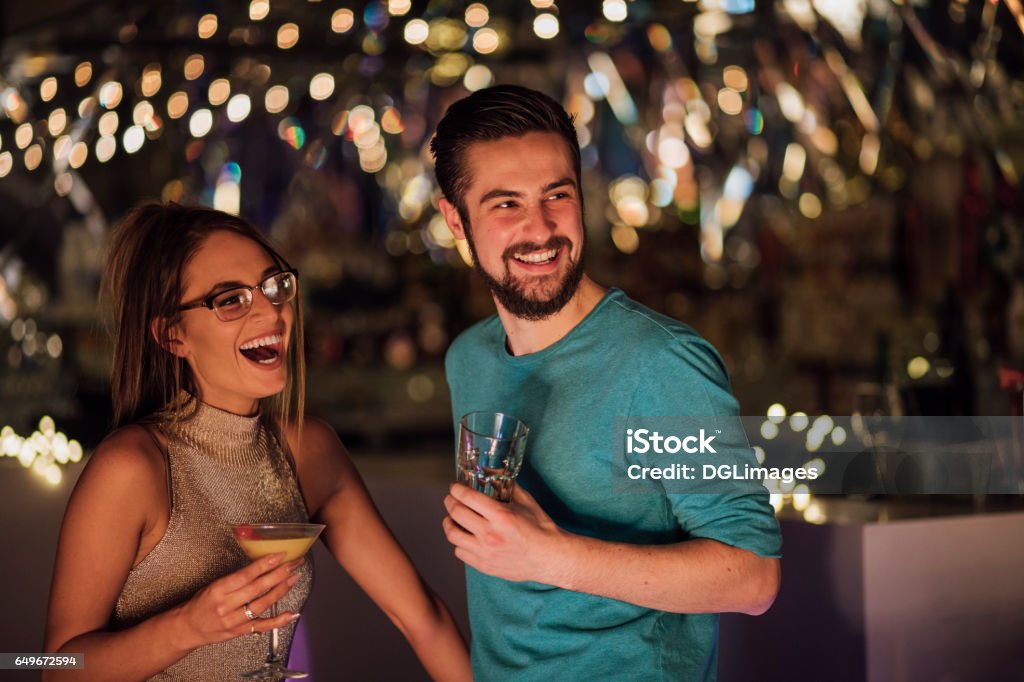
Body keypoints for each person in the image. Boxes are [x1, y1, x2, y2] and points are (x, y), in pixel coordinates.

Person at [432, 85, 782, 680]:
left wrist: (550, 556)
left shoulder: (661, 364)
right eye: (505, 205)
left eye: (557, 195)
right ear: (456, 222)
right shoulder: (469, 359)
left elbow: (753, 576)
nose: (541, 229)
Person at [44, 203, 471, 681]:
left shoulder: (309, 452)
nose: (270, 309)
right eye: (230, 300)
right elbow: (53, 667)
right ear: (171, 335)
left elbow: (422, 620)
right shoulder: (132, 467)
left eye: (273, 286)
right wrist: (187, 626)